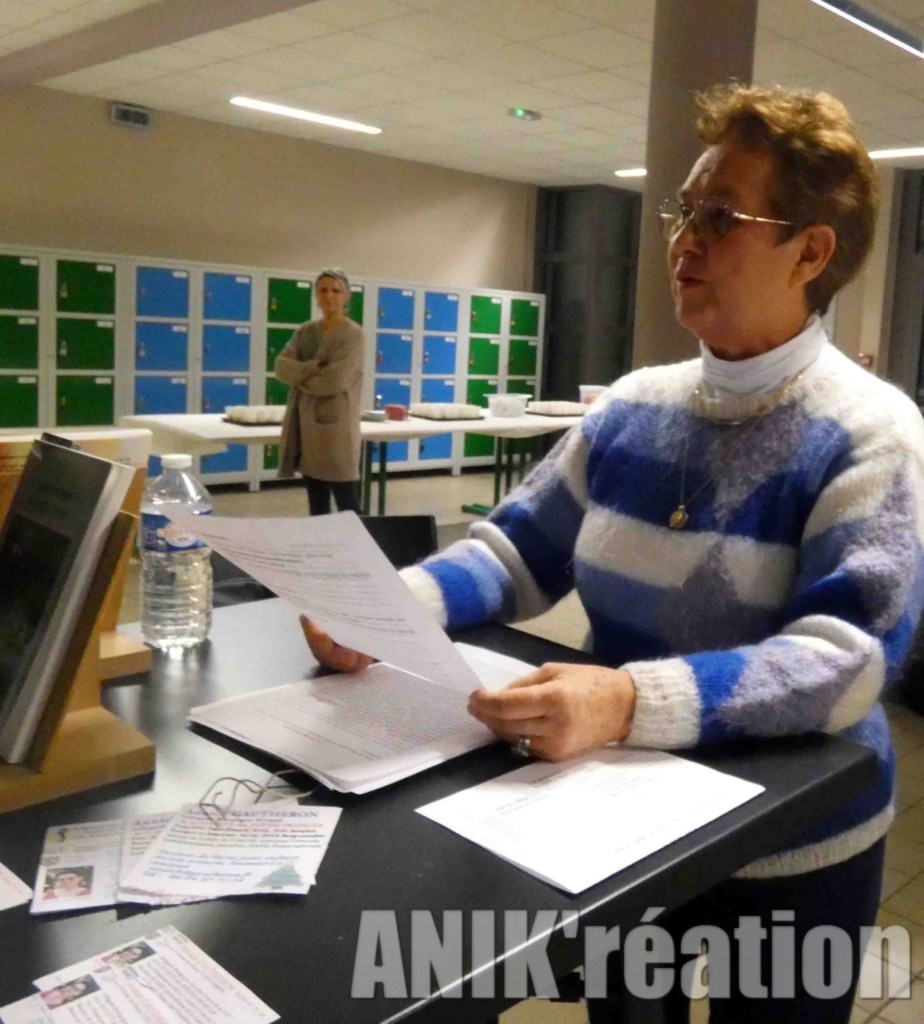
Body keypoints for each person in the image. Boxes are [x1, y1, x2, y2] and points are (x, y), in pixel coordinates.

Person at [301, 83, 924, 1021]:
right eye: (684, 211)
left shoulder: (871, 433)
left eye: (722, 217)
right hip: (628, 826)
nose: (683, 241)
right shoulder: (634, 406)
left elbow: (845, 662)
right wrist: (392, 609)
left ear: (810, 252)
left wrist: (629, 699)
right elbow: (514, 554)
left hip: (796, 843)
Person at [276, 268, 365, 515]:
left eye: (336, 290)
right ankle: (321, 541)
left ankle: (359, 540)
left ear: (346, 296)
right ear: (316, 295)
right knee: (316, 502)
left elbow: (333, 381)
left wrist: (299, 377)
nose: (329, 296)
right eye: (323, 290)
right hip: (306, 426)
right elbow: (281, 368)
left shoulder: (353, 334)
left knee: (347, 502)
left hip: (337, 428)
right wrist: (313, 368)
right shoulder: (306, 331)